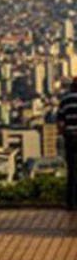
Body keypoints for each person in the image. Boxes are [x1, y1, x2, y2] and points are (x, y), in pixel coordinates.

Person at [59, 79, 77, 210]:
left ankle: (70, 202)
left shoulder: (64, 101)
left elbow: (60, 123)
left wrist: (65, 133)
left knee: (71, 170)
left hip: (70, 138)